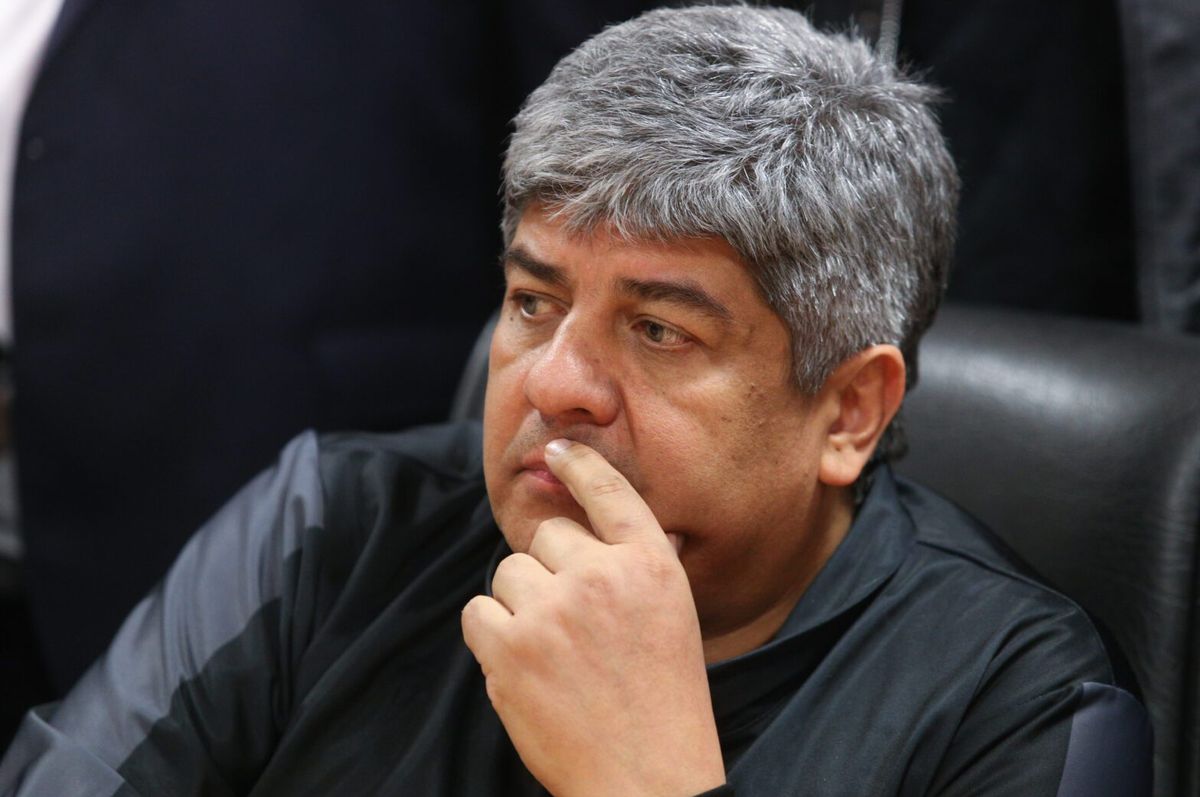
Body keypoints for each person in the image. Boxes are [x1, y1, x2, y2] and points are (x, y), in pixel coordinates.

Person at [0, 5, 1151, 795]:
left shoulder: (1020, 701)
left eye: (658, 330)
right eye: (534, 302)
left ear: (849, 410)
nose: (551, 382)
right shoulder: (328, 527)